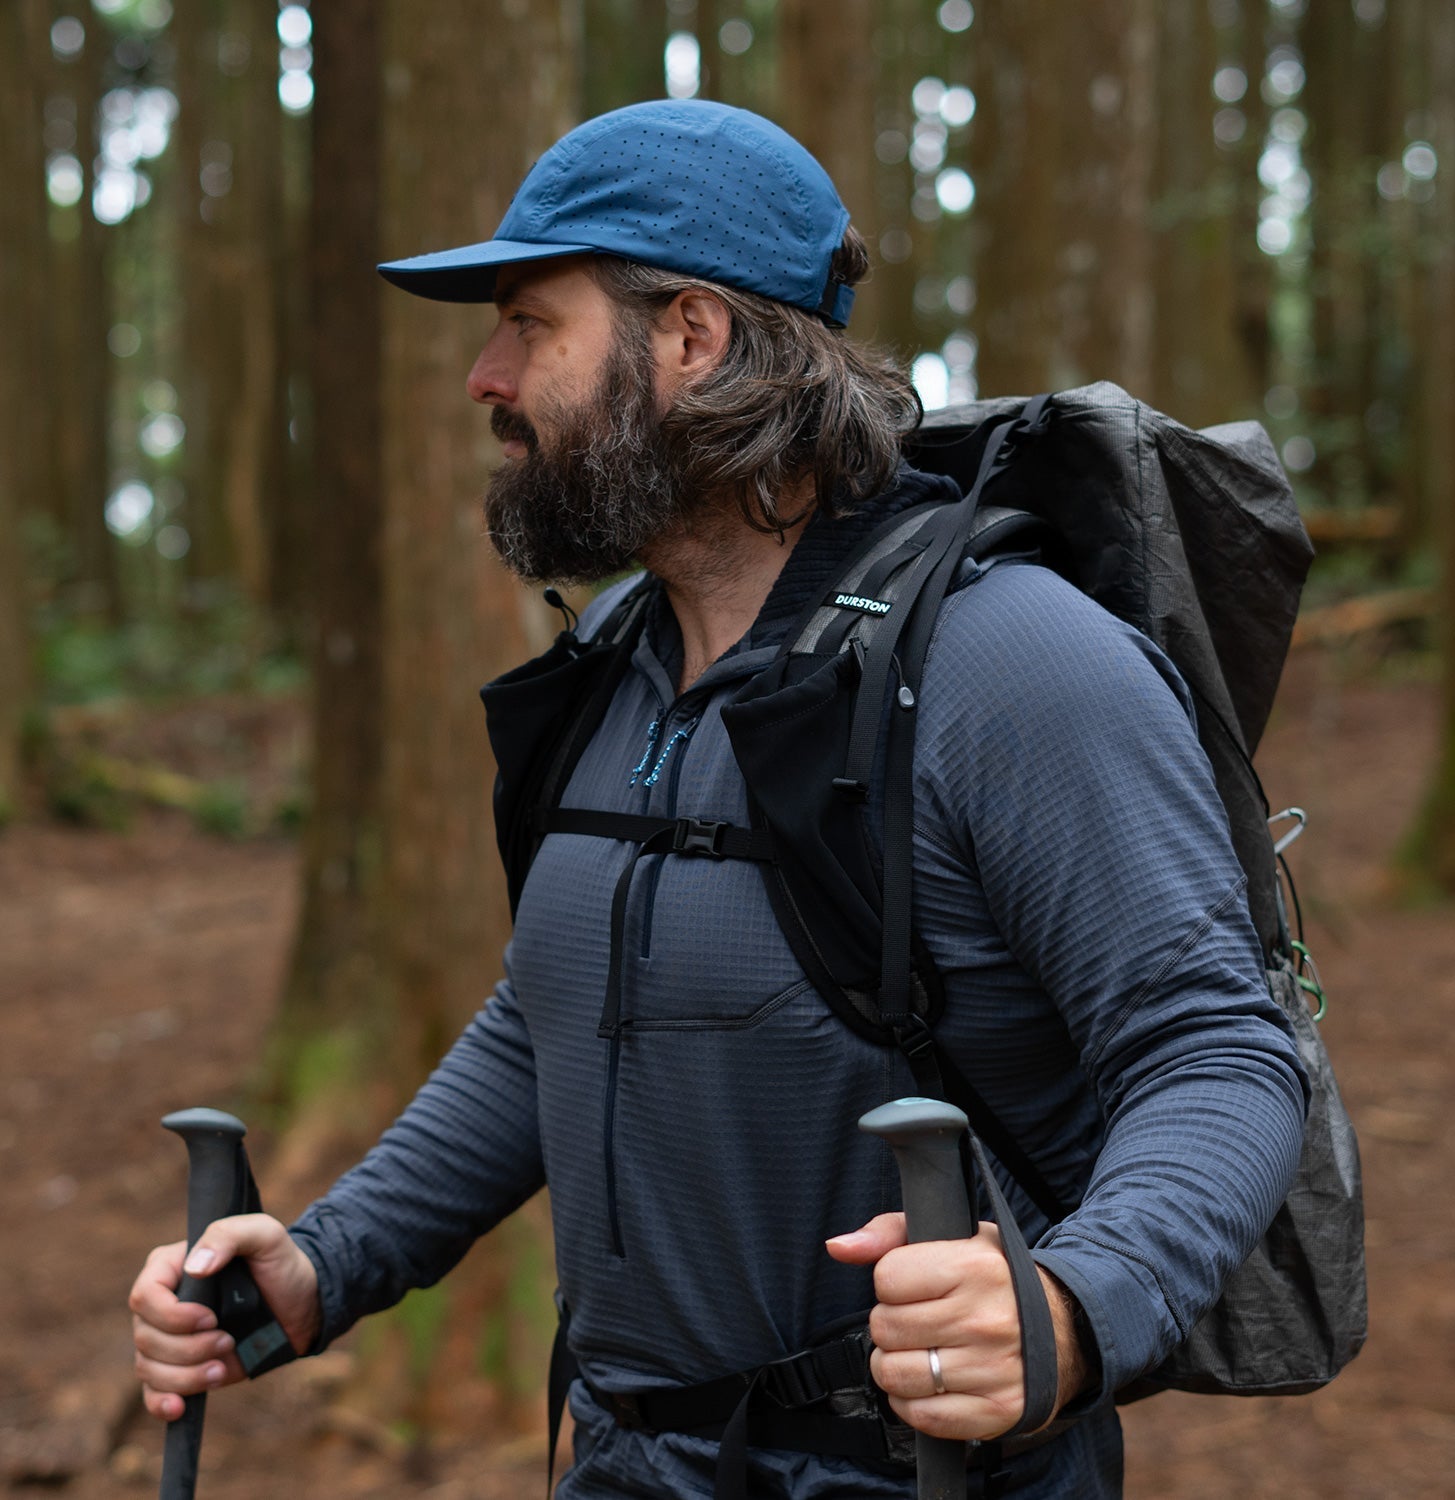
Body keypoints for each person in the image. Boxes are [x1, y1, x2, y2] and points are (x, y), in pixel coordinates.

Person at [130, 99, 1308, 1498]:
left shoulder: (1013, 664)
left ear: (691, 338)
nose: (485, 376)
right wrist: (329, 1259)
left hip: (917, 1476)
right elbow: (553, 1019)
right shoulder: (617, 662)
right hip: (624, 1462)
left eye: (530, 323)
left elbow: (1217, 1052)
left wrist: (1071, 1308)